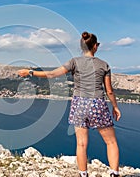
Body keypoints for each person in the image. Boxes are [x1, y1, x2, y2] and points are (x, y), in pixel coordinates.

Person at [18, 31, 121, 177]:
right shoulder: (104, 65)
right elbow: (109, 91)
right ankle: (114, 173)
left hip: (79, 104)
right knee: (111, 142)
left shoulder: (74, 62)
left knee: (81, 144)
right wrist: (115, 107)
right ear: (96, 46)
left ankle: (83, 174)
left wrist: (30, 72)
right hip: (97, 103)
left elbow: (52, 74)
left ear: (82, 46)